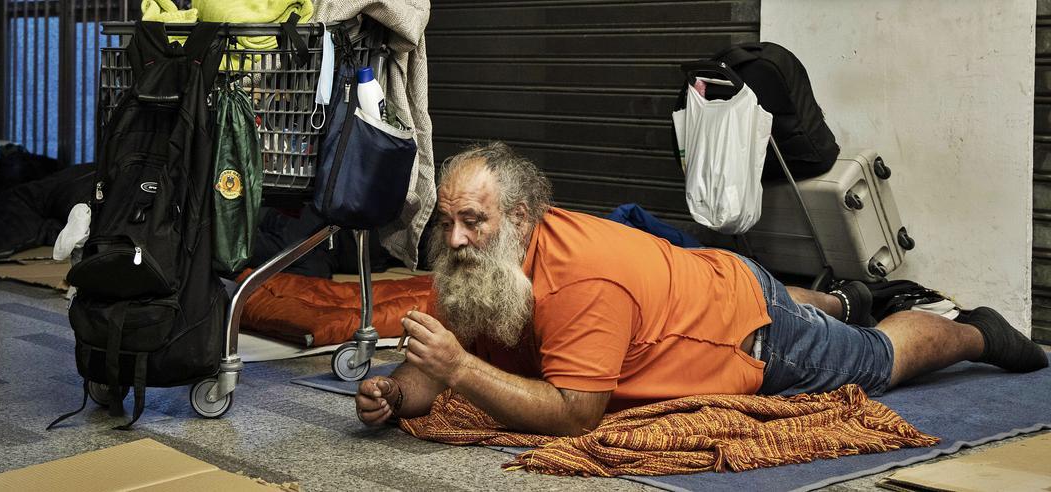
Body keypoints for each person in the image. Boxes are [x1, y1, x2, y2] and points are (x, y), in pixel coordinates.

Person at [355, 141, 1048, 437]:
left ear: (519, 218)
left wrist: (462, 369)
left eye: (470, 221)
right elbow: (427, 373)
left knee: (873, 359)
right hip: (705, 281)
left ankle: (975, 327)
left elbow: (575, 416)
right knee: (792, 298)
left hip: (743, 330)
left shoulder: (581, 281)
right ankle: (840, 296)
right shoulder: (473, 258)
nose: (452, 240)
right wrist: (395, 394)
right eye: (445, 221)